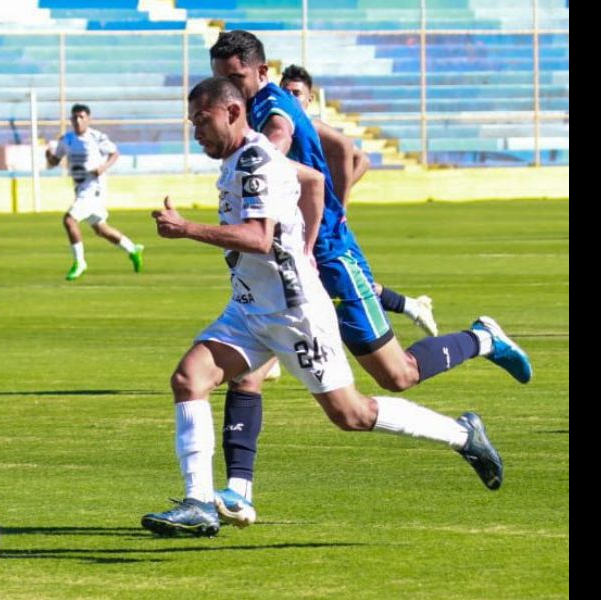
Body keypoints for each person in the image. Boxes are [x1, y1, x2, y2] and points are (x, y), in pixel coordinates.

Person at [141, 77, 504, 538]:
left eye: (201, 120)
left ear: (232, 112)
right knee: (189, 379)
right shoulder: (242, 157)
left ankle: (463, 435)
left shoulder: (254, 161)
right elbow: (313, 181)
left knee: (352, 415)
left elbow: (259, 238)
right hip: (250, 309)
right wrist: (307, 246)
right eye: (192, 122)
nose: (196, 132)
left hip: (294, 314)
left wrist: (187, 229)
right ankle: (198, 503)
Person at [208, 30, 532, 526]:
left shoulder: (273, 111)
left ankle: (483, 339)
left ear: (262, 72)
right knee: (247, 372)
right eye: (221, 78)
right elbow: (341, 149)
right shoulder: (250, 110)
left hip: (330, 260)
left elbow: (286, 142)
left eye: (236, 77)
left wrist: (326, 219)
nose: (229, 86)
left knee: (397, 375)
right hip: (284, 269)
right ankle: (237, 493)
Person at [279, 64, 435, 341]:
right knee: (322, 284)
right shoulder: (284, 127)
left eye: (296, 93)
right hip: (310, 222)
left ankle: (394, 333)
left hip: (325, 226)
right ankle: (409, 306)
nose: (290, 98)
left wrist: (338, 204)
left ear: (309, 98)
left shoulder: (311, 127)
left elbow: (358, 157)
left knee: (332, 286)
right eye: (285, 92)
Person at [45, 103, 144, 281]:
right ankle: (132, 249)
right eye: (74, 117)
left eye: (81, 117)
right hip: (80, 189)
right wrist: (49, 156)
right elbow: (54, 162)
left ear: (88, 119)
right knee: (101, 229)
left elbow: (114, 153)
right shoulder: (66, 139)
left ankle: (80, 262)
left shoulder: (97, 137)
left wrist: (103, 167)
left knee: (69, 220)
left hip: (93, 189)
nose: (77, 120)